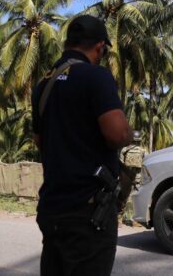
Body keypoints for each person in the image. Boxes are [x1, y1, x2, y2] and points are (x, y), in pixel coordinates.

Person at [32, 15, 132, 276]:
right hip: (87, 213)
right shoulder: (95, 76)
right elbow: (117, 133)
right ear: (100, 46)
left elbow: (40, 141)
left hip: (53, 207)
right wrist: (128, 133)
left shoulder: (43, 84)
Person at [117, 130, 146, 216]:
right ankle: (135, 216)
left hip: (126, 175)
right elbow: (145, 163)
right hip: (137, 175)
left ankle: (120, 215)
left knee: (124, 195)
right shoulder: (143, 151)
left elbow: (121, 163)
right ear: (139, 140)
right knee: (137, 194)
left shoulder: (124, 150)